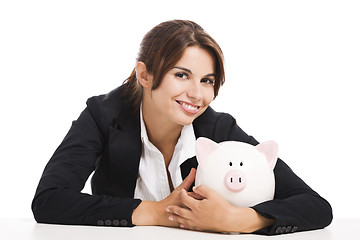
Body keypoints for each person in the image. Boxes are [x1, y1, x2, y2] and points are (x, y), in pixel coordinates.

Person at [32, 20, 332, 235]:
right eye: (181, 75)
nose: (197, 94)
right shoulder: (102, 115)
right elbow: (49, 200)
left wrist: (241, 220)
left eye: (207, 80)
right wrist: (157, 212)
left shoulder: (218, 128)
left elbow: (315, 206)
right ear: (145, 75)